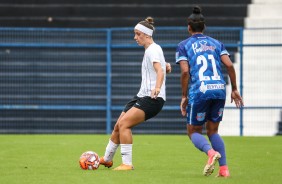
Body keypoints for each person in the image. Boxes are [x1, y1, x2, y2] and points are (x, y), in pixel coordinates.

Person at [175, 6, 244, 178]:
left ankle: (210, 153)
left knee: (194, 131)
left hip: (200, 91)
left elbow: (185, 72)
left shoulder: (184, 45)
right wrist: (234, 89)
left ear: (188, 27)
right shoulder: (216, 44)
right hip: (219, 89)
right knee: (213, 131)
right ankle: (224, 170)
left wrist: (184, 96)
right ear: (204, 27)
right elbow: (229, 65)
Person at [99, 17, 171, 170]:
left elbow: (159, 71)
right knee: (118, 125)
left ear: (146, 35)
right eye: (135, 34)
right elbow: (161, 67)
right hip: (141, 95)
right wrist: (166, 67)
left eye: (138, 34)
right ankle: (106, 159)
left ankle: (127, 164)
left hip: (152, 98)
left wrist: (157, 87)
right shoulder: (152, 50)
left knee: (125, 124)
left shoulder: (153, 49)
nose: (135, 37)